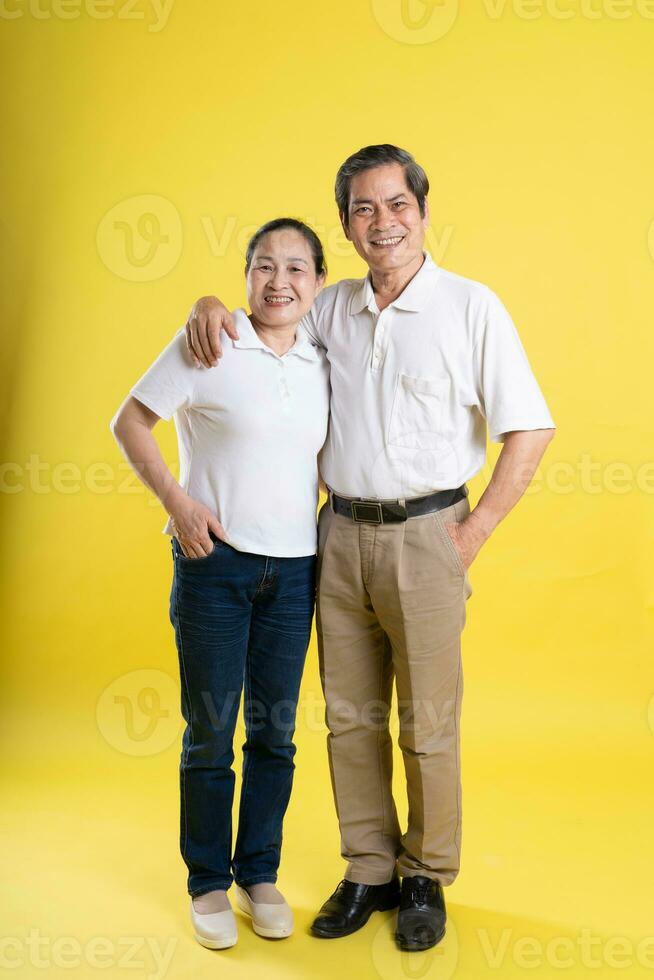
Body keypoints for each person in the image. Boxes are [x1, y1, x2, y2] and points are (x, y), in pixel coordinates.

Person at [180, 144, 557, 952]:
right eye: (362, 209)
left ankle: (425, 873)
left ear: (423, 210)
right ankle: (370, 868)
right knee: (350, 720)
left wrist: (473, 532)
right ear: (346, 227)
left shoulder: (471, 307)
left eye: (396, 205)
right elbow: (262, 320)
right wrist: (212, 299)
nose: (381, 222)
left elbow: (531, 425)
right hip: (337, 537)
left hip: (430, 535)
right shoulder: (331, 307)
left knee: (428, 722)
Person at [110, 218, 330, 950]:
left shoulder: (320, 357)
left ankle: (256, 871)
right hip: (216, 566)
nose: (279, 282)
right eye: (263, 266)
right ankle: (207, 879)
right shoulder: (212, 341)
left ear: (318, 285)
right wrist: (177, 503)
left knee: (276, 733)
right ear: (244, 278)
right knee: (210, 731)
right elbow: (130, 421)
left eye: (296, 269)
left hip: (296, 573)